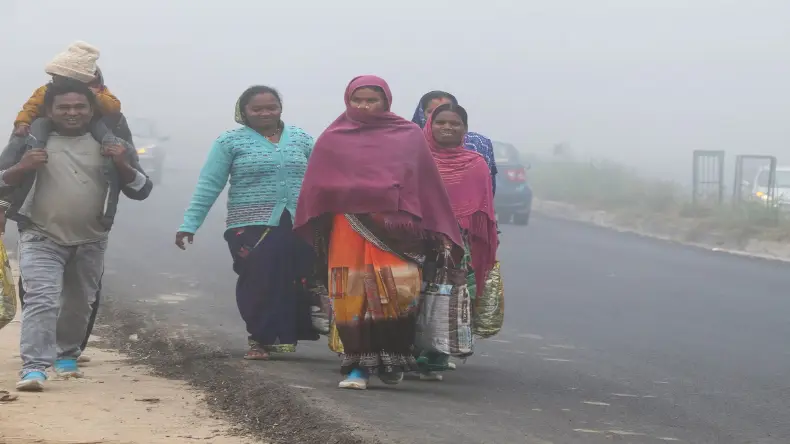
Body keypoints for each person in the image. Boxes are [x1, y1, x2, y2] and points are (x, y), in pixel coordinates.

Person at [293, 75, 463, 390]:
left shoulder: (408, 134)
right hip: (348, 228)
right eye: (358, 100)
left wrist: (437, 228)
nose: (364, 106)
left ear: (386, 101)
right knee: (350, 295)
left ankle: (393, 358)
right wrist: (354, 191)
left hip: (397, 231)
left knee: (397, 291)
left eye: (372, 100)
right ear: (347, 101)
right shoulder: (334, 136)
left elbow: (425, 184)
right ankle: (357, 365)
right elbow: (316, 186)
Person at [0, 80, 152, 391]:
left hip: (91, 239)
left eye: (80, 107)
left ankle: (67, 355)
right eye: (64, 107)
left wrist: (123, 163)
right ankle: (34, 367)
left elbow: (142, 189)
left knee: (80, 302)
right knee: (41, 299)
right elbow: (2, 180)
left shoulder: (111, 141)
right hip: (40, 235)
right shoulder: (28, 140)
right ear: (49, 111)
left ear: (92, 109)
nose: (73, 113)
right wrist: (22, 167)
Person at [175, 85, 319, 361]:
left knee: (293, 279)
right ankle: (259, 338)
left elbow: (321, 178)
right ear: (244, 111)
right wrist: (189, 223)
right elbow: (209, 184)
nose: (265, 113)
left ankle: (283, 336)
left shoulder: (301, 138)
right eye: (257, 108)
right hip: (250, 225)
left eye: (271, 107)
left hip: (298, 222)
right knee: (259, 279)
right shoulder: (230, 142)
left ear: (280, 108)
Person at [417, 103, 499, 381]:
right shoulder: (415, 159)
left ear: (465, 128)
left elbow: (482, 211)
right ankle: (406, 351)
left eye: (455, 123)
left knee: (446, 296)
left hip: (454, 243)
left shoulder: (475, 164)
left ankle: (437, 355)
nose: (448, 128)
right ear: (430, 124)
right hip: (416, 236)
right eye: (441, 122)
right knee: (411, 293)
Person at [12, 41, 121, 138]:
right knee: (39, 124)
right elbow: (30, 107)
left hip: (89, 123)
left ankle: (110, 146)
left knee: (101, 125)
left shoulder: (98, 90)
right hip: (54, 124)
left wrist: (95, 95)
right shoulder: (45, 91)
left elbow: (114, 108)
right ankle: (35, 149)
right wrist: (22, 123)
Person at [411, 91, 497, 194]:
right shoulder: (409, 145)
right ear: (421, 113)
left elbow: (487, 188)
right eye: (431, 111)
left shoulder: (478, 144)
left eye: (445, 109)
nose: (439, 115)